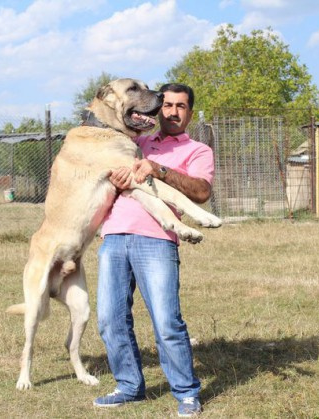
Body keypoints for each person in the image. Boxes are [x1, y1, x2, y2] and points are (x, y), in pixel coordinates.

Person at [93, 83, 214, 417]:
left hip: (158, 239)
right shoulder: (135, 140)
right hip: (114, 236)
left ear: (189, 113)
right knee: (109, 319)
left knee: (166, 322)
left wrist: (158, 169)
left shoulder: (197, 150)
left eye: (181, 106)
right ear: (157, 108)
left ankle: (186, 392)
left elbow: (201, 191)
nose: (173, 112)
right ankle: (129, 386)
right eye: (168, 105)